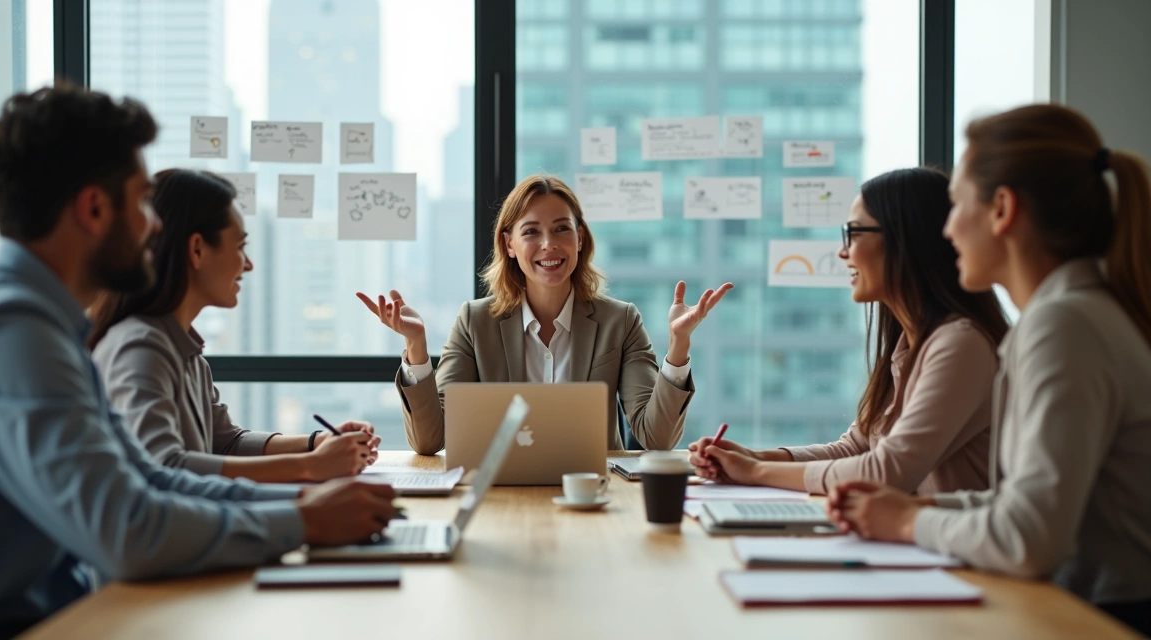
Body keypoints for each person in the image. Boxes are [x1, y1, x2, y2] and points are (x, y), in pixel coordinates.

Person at [0, 85, 396, 637]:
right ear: (94, 209)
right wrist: (302, 519)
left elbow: (148, 478)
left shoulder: (34, 322)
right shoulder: (9, 332)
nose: (154, 226)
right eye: (140, 201)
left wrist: (307, 501)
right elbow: (128, 530)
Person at [828, 104, 1151, 636]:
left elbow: (1029, 538)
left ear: (1002, 210)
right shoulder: (1066, 315)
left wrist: (908, 519)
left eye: (956, 205)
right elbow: (1017, 502)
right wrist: (923, 506)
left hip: (1102, 619)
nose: (948, 229)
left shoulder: (1064, 325)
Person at [689, 167, 1008, 496]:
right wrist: (753, 457)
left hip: (947, 543)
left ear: (903, 239)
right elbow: (855, 449)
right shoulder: (910, 344)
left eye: (854, 234)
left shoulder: (960, 344)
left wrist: (755, 471)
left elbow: (886, 471)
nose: (843, 252)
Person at [358, 174, 732, 455]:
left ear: (580, 238)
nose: (549, 245)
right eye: (531, 231)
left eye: (561, 229)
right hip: (502, 495)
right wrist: (416, 346)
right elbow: (429, 440)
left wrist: (678, 346)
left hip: (595, 499)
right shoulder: (475, 322)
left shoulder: (621, 322)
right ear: (509, 244)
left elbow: (657, 438)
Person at [90, 168, 379, 483]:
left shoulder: (183, 348)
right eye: (240, 246)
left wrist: (316, 444)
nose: (249, 264)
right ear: (197, 249)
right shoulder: (141, 347)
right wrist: (309, 467)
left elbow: (225, 442)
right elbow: (165, 468)